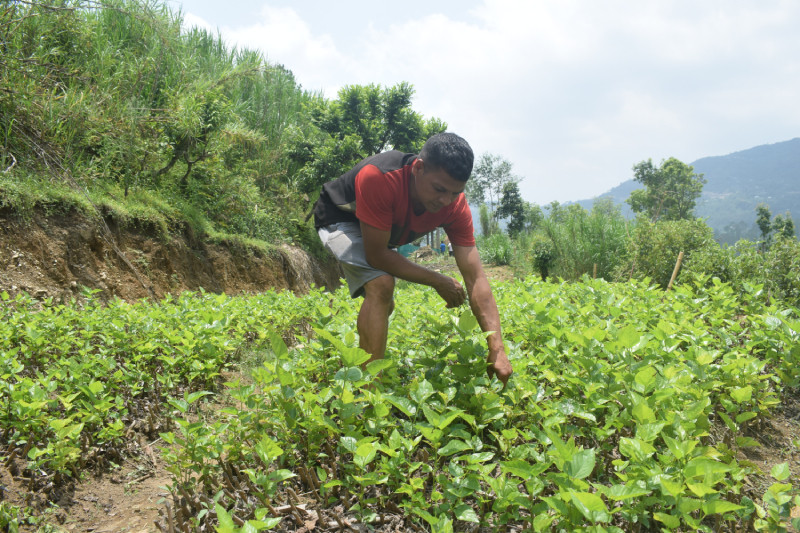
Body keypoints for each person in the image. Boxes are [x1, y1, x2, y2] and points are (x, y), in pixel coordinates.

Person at [313, 132, 513, 386]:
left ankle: (360, 361)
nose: (445, 201)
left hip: (382, 232)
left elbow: (476, 277)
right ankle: (368, 391)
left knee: (383, 301)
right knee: (381, 284)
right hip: (340, 217)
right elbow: (377, 255)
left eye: (455, 192)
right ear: (418, 168)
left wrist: (497, 349)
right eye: (439, 189)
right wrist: (438, 280)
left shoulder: (455, 206)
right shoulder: (380, 177)